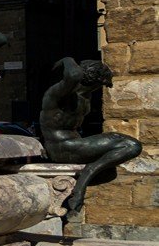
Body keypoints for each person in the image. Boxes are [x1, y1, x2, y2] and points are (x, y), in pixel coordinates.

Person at [39, 58, 140, 214]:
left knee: (110, 170)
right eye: (100, 85)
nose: (100, 89)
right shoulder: (59, 93)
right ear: (93, 81)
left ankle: (87, 175)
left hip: (74, 144)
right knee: (132, 145)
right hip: (62, 147)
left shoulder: (85, 98)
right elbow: (73, 75)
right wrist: (67, 59)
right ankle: (87, 175)